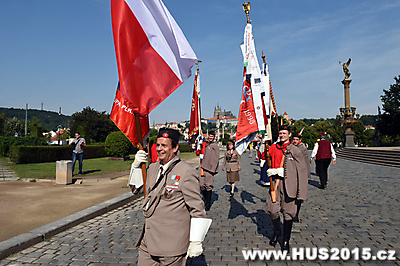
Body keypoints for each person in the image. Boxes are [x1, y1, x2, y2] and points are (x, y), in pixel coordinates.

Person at [130, 128, 211, 265]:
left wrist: (196, 241)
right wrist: (136, 167)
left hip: (172, 247)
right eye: (158, 145)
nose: (159, 149)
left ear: (175, 148)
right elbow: (136, 189)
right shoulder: (152, 168)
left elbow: (197, 207)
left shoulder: (186, 171)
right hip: (148, 243)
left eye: (164, 145)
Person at [266, 125, 308, 252]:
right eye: (280, 133)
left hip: (290, 185)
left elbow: (302, 170)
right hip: (276, 185)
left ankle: (285, 240)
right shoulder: (274, 147)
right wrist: (264, 143)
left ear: (289, 135)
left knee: (288, 215)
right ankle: (278, 231)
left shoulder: (295, 150)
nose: (282, 135)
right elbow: (265, 157)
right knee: (272, 211)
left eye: (284, 133)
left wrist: (301, 194)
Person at [291, 132, 310, 223]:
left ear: (300, 140)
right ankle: (291, 212)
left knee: (299, 196)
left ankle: (296, 214)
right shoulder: (289, 148)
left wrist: (306, 175)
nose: (295, 141)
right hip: (291, 175)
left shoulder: (302, 149)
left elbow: (305, 163)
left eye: (296, 140)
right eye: (293, 139)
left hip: (301, 175)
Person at [199, 131, 220, 211]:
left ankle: (207, 204)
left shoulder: (215, 146)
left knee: (208, 186)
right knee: (201, 185)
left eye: (212, 136)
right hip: (203, 166)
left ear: (214, 137)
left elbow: (216, 158)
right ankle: (205, 199)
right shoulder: (206, 144)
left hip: (210, 168)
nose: (210, 137)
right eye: (209, 136)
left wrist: (213, 169)